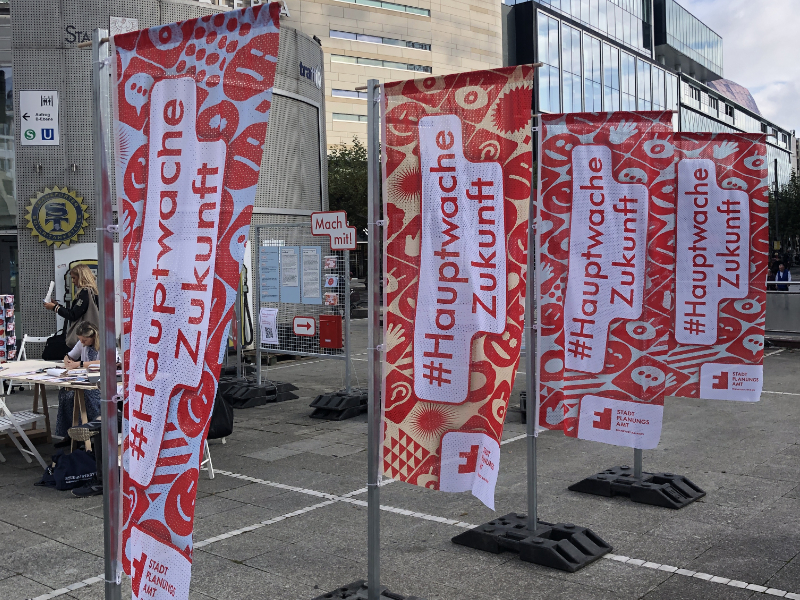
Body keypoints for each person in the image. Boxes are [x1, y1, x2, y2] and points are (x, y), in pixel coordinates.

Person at [53, 322, 102, 448]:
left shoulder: (104, 343)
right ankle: (69, 433)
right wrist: (68, 360)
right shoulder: (82, 343)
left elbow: (105, 361)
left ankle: (90, 430)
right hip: (84, 379)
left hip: (98, 383)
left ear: (93, 337)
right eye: (80, 340)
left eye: (84, 340)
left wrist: (80, 364)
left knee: (86, 395)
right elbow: (69, 355)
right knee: (65, 394)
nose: (82, 343)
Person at [43, 264, 100, 348]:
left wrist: (55, 308)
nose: (73, 281)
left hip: (85, 334)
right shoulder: (94, 291)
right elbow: (76, 310)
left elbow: (73, 315)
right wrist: (57, 305)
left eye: (74, 278)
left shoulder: (85, 292)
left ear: (81, 277)